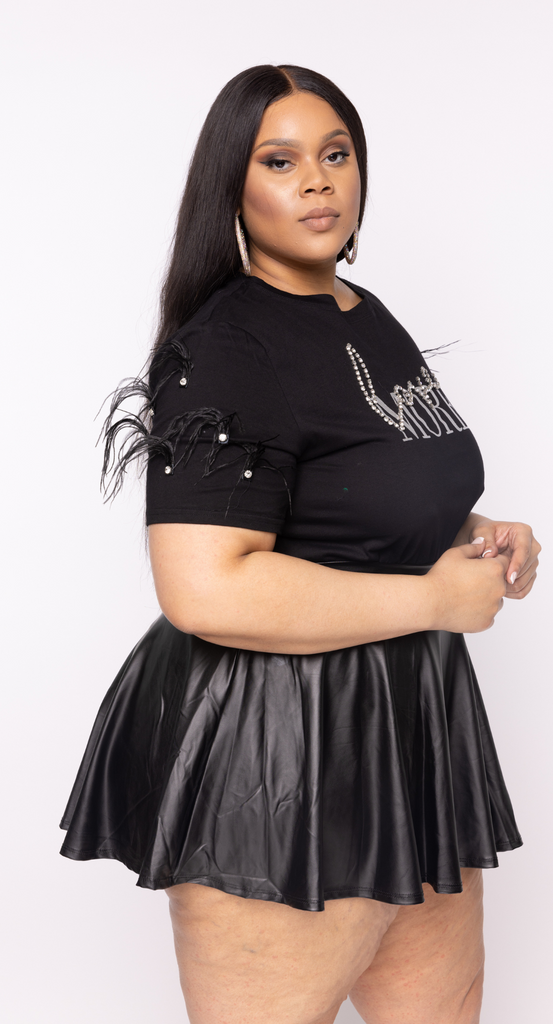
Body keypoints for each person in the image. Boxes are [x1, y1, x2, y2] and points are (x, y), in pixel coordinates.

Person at [60, 64, 540, 1024]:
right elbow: (204, 588)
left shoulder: (362, 312)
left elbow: (352, 486)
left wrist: (469, 529)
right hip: (278, 741)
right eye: (279, 162)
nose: (317, 180)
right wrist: (435, 599)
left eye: (335, 154)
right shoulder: (228, 347)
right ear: (231, 187)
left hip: (410, 719)